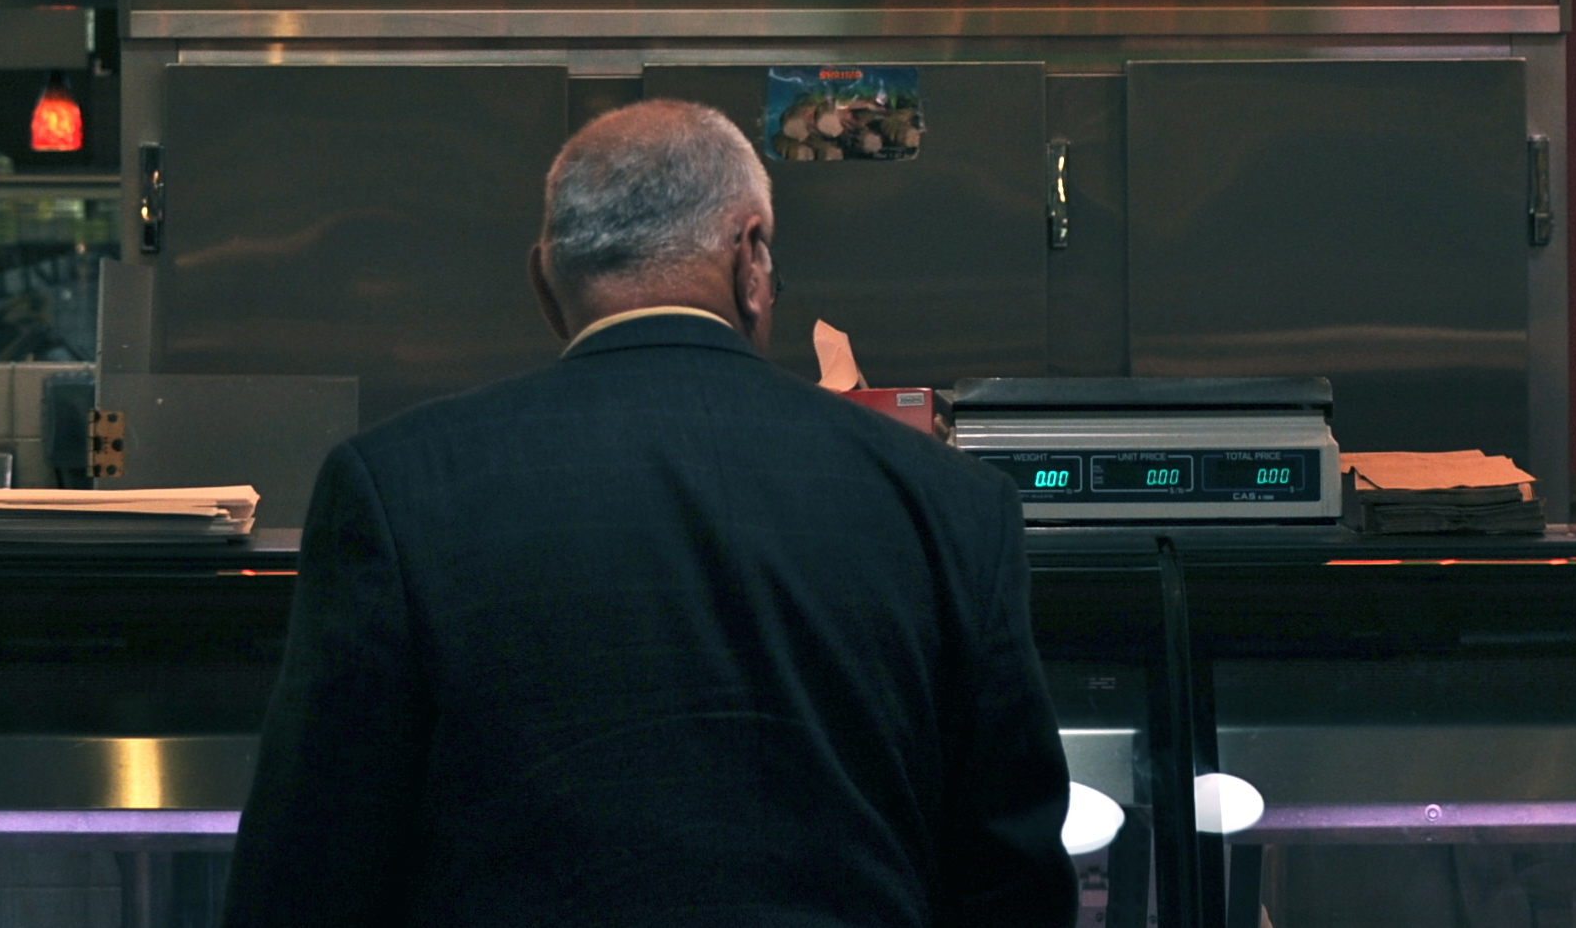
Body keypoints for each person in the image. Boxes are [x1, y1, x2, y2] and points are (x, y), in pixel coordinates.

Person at [225, 98, 1074, 928]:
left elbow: (311, 869)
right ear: (752, 259)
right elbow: (1009, 881)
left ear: (543, 280)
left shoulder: (396, 487)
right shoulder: (948, 501)